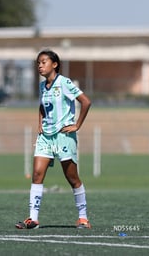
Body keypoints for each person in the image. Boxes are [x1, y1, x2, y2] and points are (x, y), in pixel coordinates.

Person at [15, 49, 92, 230]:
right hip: (46, 137)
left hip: (64, 136)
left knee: (72, 177)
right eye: (38, 63)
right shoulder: (43, 86)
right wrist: (40, 124)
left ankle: (83, 218)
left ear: (54, 64)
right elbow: (42, 106)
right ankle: (33, 219)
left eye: (43, 62)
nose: (40, 66)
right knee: (37, 174)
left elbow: (86, 102)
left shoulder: (64, 83)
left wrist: (77, 125)